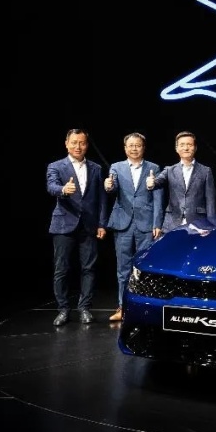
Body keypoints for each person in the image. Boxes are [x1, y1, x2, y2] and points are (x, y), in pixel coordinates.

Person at [45, 128, 108, 326]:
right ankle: (63, 309)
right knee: (61, 269)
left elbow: (102, 199)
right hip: (64, 223)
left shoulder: (96, 168)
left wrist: (102, 224)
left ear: (86, 145)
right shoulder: (56, 166)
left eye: (82, 143)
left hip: (89, 225)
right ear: (67, 144)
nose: (78, 146)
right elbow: (51, 186)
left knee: (89, 268)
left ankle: (85, 308)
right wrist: (63, 189)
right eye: (74, 142)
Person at [104, 132, 165, 322]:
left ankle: (144, 308)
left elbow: (158, 198)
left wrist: (157, 223)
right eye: (131, 145)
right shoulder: (116, 167)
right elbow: (112, 188)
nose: (134, 148)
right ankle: (122, 307)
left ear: (143, 147)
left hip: (146, 224)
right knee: (123, 269)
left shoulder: (153, 168)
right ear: (125, 148)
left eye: (138, 145)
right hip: (123, 223)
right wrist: (108, 186)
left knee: (144, 268)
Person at [147, 130, 216, 232]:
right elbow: (158, 182)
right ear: (177, 149)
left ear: (195, 148)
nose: (186, 148)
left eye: (189, 144)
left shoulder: (205, 171)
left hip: (198, 222)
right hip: (172, 223)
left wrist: (212, 224)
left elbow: (210, 200)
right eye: (182, 145)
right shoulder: (170, 170)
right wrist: (151, 183)